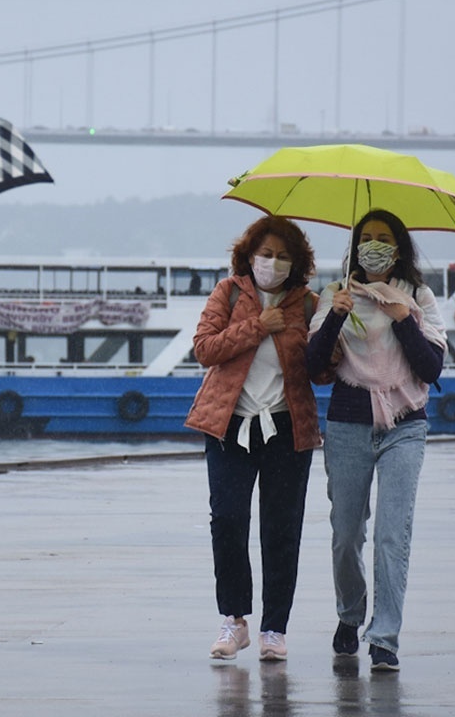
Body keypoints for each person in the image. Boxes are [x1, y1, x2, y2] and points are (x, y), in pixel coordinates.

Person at [305, 209, 447, 672]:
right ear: (354, 246)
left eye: (384, 238)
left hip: (406, 426)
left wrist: (404, 318)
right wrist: (334, 319)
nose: (374, 246)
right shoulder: (335, 295)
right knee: (347, 535)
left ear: (399, 248)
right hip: (348, 424)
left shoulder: (419, 297)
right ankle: (350, 614)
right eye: (366, 237)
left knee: (391, 536)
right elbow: (310, 366)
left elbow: (431, 369)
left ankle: (384, 636)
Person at [185, 215, 325, 662]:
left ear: (297, 263)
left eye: (283, 256)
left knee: (281, 529)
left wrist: (335, 322)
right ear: (248, 256)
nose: (273, 262)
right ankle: (234, 621)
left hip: (287, 427)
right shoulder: (228, 293)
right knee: (227, 521)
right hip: (231, 425)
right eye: (265, 254)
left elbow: (323, 372)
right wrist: (258, 326)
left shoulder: (308, 305)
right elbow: (204, 347)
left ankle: (274, 628)